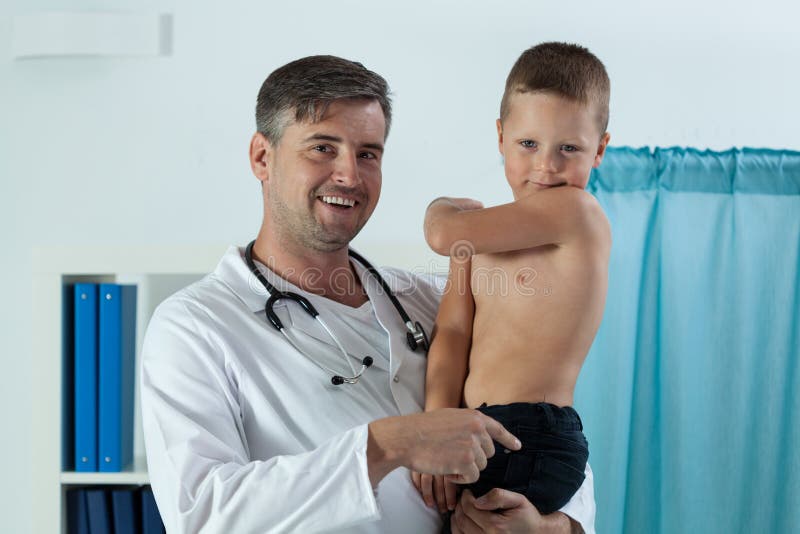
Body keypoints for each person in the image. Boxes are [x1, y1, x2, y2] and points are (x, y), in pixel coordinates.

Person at [140, 54, 596, 533]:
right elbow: (202, 513)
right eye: (322, 148)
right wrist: (388, 445)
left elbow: (545, 430)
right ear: (262, 157)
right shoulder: (195, 328)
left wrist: (549, 527)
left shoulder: (428, 299)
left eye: (368, 154)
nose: (349, 175)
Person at [414, 42, 611, 524]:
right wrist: (436, 420)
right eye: (529, 144)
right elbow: (452, 333)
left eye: (569, 148)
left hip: (534, 435)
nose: (547, 165)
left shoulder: (578, 213)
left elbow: (441, 233)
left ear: (600, 150)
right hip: (477, 428)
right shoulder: (480, 236)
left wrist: (441, 206)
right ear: (501, 136)